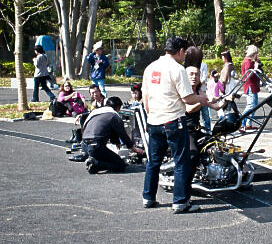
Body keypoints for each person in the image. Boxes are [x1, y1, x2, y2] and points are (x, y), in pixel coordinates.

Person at [141, 36, 210, 213]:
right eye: (184, 53)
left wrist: (151, 115)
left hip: (154, 120)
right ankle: (180, 202)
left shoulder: (150, 68)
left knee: (153, 161)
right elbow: (187, 98)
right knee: (181, 161)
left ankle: (148, 197)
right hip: (173, 120)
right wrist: (203, 99)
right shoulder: (177, 69)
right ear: (180, 51)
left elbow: (145, 97)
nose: (184, 57)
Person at [82, 96, 144, 174]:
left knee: (106, 157)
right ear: (118, 107)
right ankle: (96, 163)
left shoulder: (95, 112)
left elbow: (110, 129)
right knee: (121, 165)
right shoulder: (114, 115)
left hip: (84, 145)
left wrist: (116, 141)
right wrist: (133, 148)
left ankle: (94, 163)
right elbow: (122, 134)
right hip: (96, 146)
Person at [241, 45, 262, 131]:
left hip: (253, 85)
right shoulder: (248, 61)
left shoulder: (250, 61)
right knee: (251, 105)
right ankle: (242, 122)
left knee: (254, 105)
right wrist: (256, 67)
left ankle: (248, 123)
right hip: (250, 85)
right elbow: (249, 74)